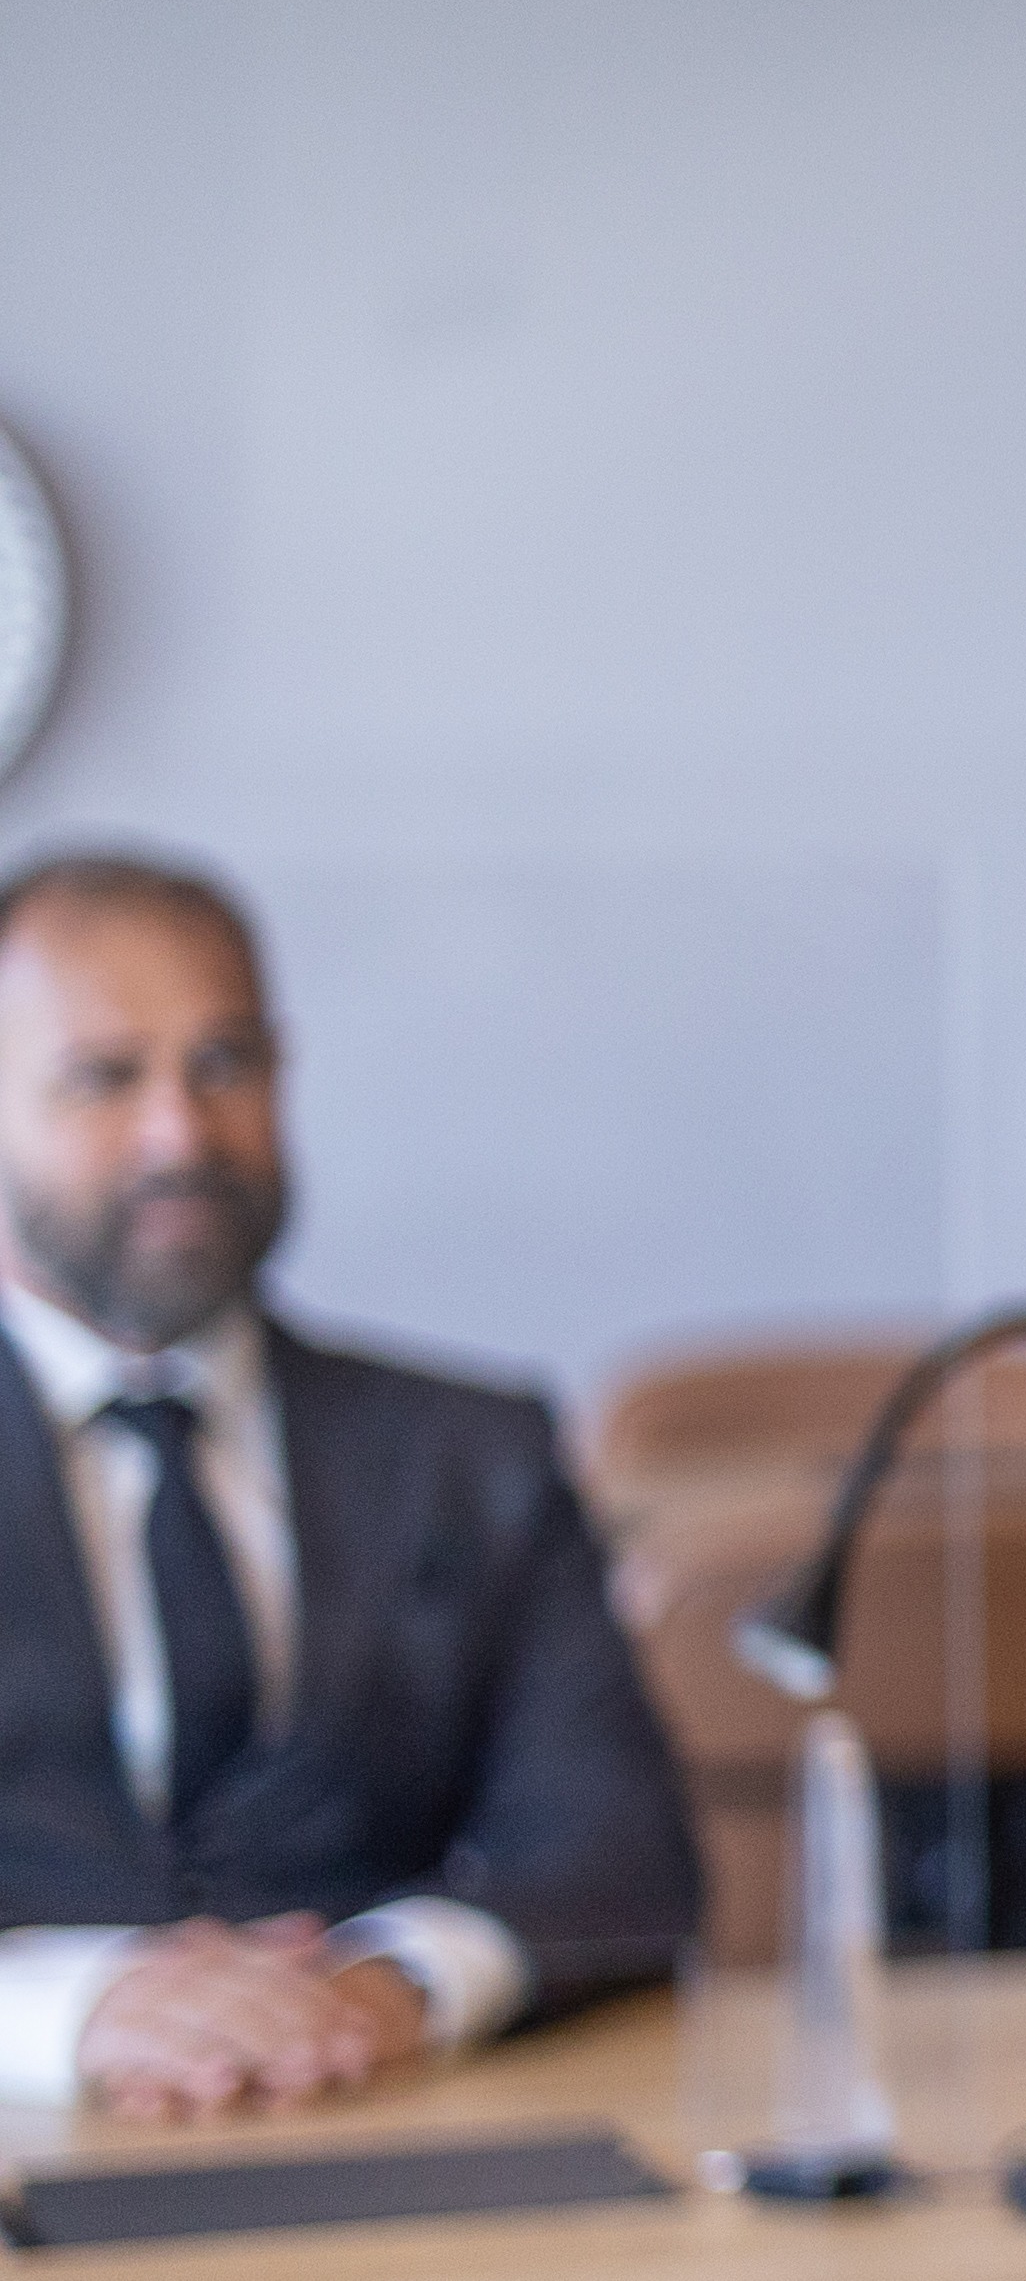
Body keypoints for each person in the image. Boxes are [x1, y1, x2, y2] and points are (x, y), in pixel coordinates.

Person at [0, 851, 696, 2118]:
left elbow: (619, 1853)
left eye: (225, 1063)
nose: (180, 1134)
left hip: (386, 2125)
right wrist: (71, 2009)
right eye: (106, 1076)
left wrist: (397, 1982)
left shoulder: (471, 1452)